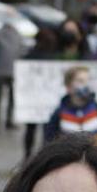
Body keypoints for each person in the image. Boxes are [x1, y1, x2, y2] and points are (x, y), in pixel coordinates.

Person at [44, 65, 97, 156]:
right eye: (80, 81)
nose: (86, 85)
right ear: (68, 86)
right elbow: (48, 143)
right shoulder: (59, 113)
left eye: (88, 80)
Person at [22, 28, 62, 161]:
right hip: (48, 99)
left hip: (32, 98)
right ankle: (46, 154)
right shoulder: (55, 58)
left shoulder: (29, 56)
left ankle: (27, 155)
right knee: (48, 129)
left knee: (30, 129)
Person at [0, 18, 23, 132]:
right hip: (12, 71)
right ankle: (7, 121)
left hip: (0, 70)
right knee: (11, 98)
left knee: (0, 98)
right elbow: (22, 50)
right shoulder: (17, 35)